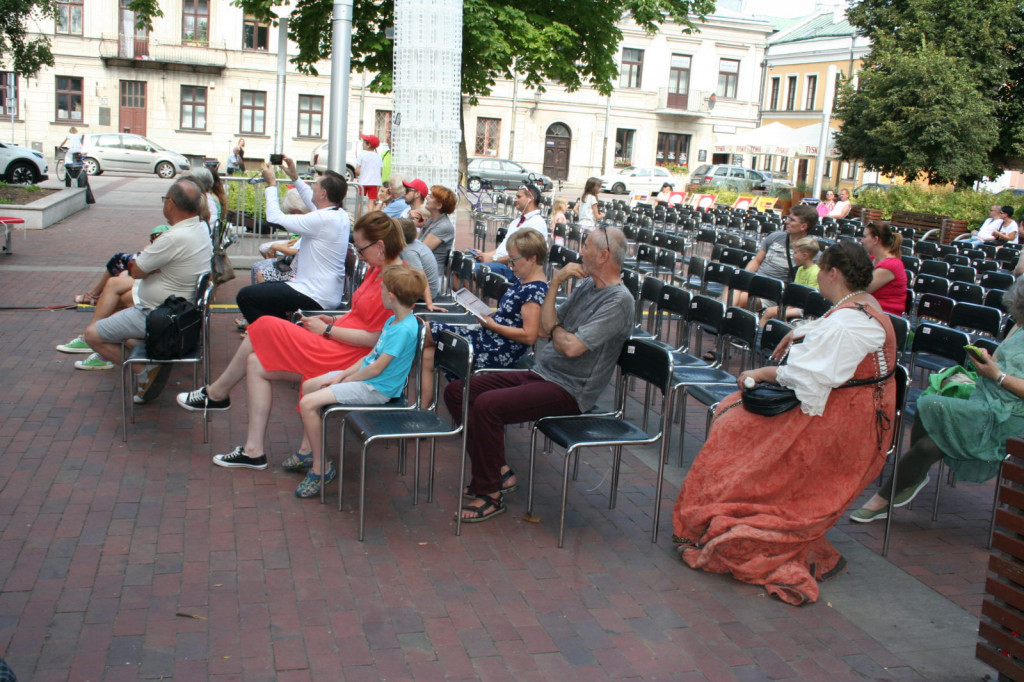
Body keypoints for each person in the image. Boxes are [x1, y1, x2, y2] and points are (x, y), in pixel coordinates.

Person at [673, 241, 897, 606]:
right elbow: (827, 347)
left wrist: (759, 372)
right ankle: (730, 507)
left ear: (832, 273)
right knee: (732, 415)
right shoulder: (853, 308)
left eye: (822, 271)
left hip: (843, 419)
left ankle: (738, 515)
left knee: (735, 427)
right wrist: (802, 331)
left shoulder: (853, 320)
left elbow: (810, 377)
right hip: (838, 405)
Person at [176, 212, 405, 470]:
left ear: (380, 246)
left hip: (347, 354)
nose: (359, 254)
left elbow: (375, 339)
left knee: (261, 326)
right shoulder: (378, 270)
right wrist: (330, 320)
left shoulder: (395, 280)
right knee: (255, 363)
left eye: (361, 249)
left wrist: (328, 330)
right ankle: (253, 451)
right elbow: (360, 315)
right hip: (337, 342)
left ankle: (217, 393)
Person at [445, 226, 635, 523]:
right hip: (545, 372)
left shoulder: (619, 300)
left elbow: (570, 346)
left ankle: (489, 493)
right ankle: (497, 471)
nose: (579, 251)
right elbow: (546, 329)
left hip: (571, 389)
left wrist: (559, 330)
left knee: (488, 406)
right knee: (458, 391)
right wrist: (557, 282)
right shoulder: (587, 285)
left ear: (603, 255)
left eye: (585, 247)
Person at [852, 276, 1024, 524]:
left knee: (930, 420)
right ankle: (903, 484)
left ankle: (887, 496)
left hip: (1012, 415)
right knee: (929, 415)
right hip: (987, 397)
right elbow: (999, 360)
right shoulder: (1019, 324)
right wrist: (987, 361)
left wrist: (997, 375)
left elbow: (1001, 374)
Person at [290, 265, 426, 498]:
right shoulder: (393, 321)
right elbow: (369, 357)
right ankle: (313, 449)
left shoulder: (403, 329)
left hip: (376, 389)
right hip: (367, 380)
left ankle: (321, 469)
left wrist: (345, 379)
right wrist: (342, 375)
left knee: (308, 403)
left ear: (391, 296)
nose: (380, 292)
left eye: (382, 289)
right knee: (309, 386)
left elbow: (376, 368)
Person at [81, 178, 212, 399]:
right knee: (119, 306)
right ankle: (149, 366)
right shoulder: (200, 228)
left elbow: (136, 270)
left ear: (170, 203)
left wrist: (148, 266)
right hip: (181, 311)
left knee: (92, 335)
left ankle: (143, 370)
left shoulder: (173, 237)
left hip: (158, 313)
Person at [421, 227, 549, 406]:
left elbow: (529, 335)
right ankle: (424, 408)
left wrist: (492, 324)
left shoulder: (534, 290)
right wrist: (487, 315)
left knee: (427, 331)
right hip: (490, 338)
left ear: (533, 258)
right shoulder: (523, 282)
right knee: (428, 348)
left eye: (514, 260)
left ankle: (388, 381)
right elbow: (512, 316)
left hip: (498, 349)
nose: (510, 265)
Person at [234, 156, 349, 323]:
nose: (312, 188)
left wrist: (271, 185)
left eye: (315, 185)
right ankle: (276, 333)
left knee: (245, 297)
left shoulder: (322, 219)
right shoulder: (338, 214)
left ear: (323, 194)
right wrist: (294, 177)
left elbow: (274, 218)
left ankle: (272, 336)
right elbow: (311, 198)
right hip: (320, 291)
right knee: (261, 293)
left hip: (314, 294)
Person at [59, 224, 171, 369]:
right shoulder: (188, 235)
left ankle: (99, 345)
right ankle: (102, 350)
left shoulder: (182, 238)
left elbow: (141, 270)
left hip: (164, 300)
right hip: (161, 292)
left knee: (115, 288)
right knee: (120, 281)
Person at [731, 204, 817, 309]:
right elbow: (757, 261)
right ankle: (724, 317)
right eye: (788, 218)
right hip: (755, 283)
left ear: (803, 226)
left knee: (741, 300)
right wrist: (745, 279)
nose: (787, 222)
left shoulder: (810, 250)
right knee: (733, 285)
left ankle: (725, 318)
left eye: (792, 220)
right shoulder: (775, 237)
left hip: (773, 293)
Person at [472, 183, 547, 280]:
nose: (515, 199)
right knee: (459, 263)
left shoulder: (537, 223)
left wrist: (493, 260)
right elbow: (501, 249)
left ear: (530, 198)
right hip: (501, 263)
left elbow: (523, 256)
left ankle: (476, 294)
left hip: (513, 269)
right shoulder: (516, 221)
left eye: (519, 197)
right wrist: (485, 255)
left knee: (470, 269)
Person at [758, 237, 820, 326]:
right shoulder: (800, 269)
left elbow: (811, 299)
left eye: (795, 253)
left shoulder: (815, 272)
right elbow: (795, 292)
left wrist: (791, 307)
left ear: (805, 255)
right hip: (795, 305)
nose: (792, 256)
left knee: (774, 313)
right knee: (769, 311)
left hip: (804, 309)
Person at [861, 220, 907, 315]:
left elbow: (862, 289)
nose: (862, 241)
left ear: (875, 240)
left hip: (884, 318)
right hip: (869, 312)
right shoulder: (871, 259)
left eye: (865, 237)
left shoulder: (892, 265)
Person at [398, 218, 441, 303]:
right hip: (427, 290)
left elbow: (421, 276)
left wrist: (429, 303)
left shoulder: (408, 251)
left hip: (423, 295)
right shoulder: (415, 243)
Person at [419, 185, 457, 274]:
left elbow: (421, 251)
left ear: (439, 205)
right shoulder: (431, 221)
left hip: (430, 275)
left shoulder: (444, 226)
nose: (427, 198)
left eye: (431, 197)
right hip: (421, 270)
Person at [355, 133, 383, 201]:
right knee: (371, 202)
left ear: (368, 144)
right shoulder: (378, 157)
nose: (362, 144)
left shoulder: (362, 155)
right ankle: (371, 211)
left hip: (363, 183)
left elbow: (356, 170)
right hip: (374, 183)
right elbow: (381, 171)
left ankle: (359, 212)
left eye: (364, 142)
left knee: (359, 202)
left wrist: (361, 174)